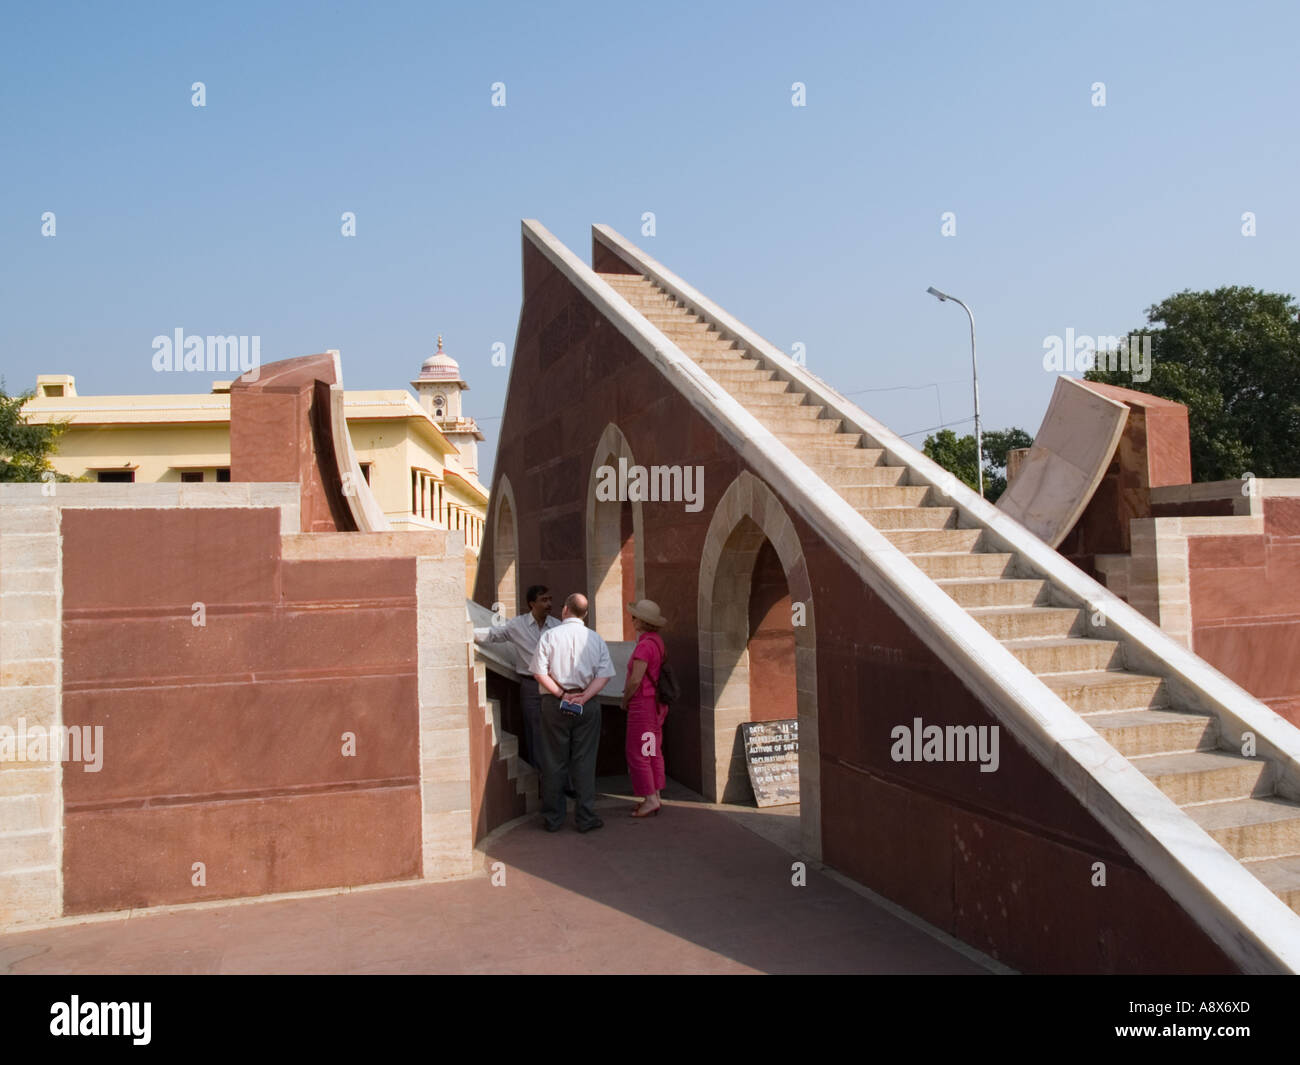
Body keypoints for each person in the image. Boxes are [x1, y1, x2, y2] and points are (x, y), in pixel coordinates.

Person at [529, 593, 615, 833]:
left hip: (555, 704)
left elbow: (538, 672)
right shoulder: (595, 639)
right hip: (586, 704)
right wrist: (584, 697)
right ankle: (585, 817)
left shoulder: (550, 636)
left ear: (565, 610)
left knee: (553, 760)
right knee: (584, 761)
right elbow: (604, 674)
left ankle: (553, 818)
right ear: (585, 614)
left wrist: (561, 695)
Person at [473, 585, 559, 769]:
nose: (549, 604)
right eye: (544, 600)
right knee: (534, 732)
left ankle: (560, 780)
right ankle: (540, 778)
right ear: (532, 604)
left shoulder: (558, 626)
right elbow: (494, 634)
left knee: (555, 732)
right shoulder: (517, 625)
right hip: (530, 685)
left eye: (550, 599)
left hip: (555, 686)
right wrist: (467, 634)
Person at [621, 599, 670, 818]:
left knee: (638, 751)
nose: (632, 620)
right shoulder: (657, 642)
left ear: (642, 621)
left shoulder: (644, 646)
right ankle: (655, 794)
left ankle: (649, 798)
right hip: (656, 704)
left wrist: (625, 700)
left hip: (642, 704)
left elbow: (635, 680)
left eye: (634, 617)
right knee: (651, 749)